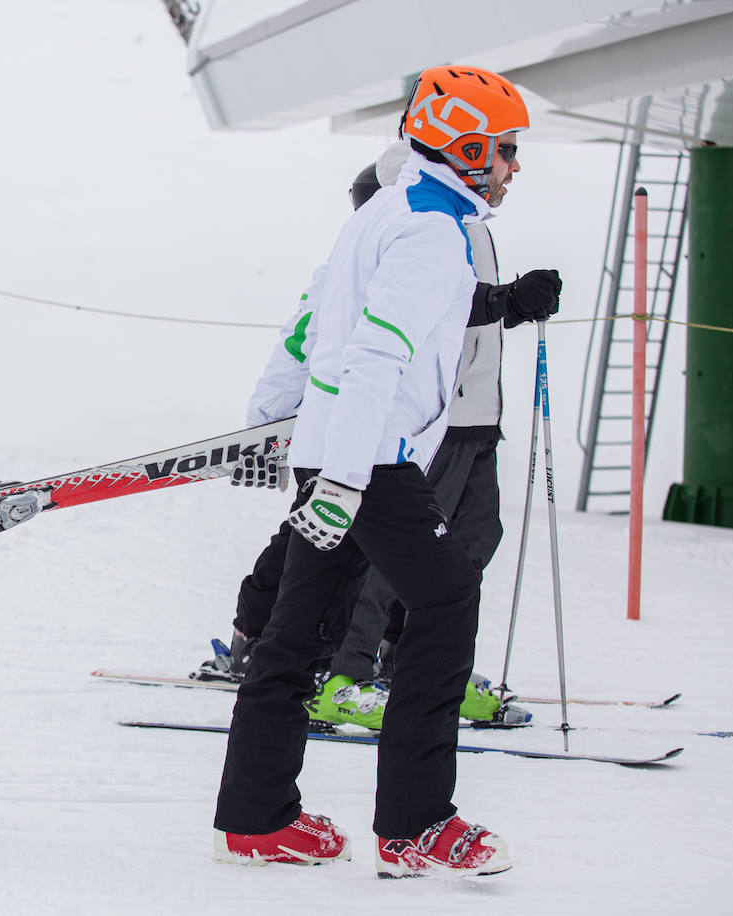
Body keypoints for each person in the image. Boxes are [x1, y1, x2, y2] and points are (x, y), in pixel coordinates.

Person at [212, 65, 538, 878]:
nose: (512, 167)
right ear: (464, 149)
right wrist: (353, 482)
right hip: (370, 461)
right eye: (503, 150)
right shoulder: (432, 230)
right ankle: (419, 823)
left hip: (336, 451)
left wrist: (298, 445)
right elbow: (374, 354)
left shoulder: (392, 211)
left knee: (301, 628)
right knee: (448, 594)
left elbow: (326, 316)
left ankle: (258, 818)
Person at [200, 142, 561, 731]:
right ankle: (330, 669)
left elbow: (460, 307)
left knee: (461, 549)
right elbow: (309, 345)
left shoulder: (461, 224)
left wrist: (509, 304)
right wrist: (265, 424)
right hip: (386, 431)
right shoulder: (398, 237)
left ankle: (411, 666)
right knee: (356, 554)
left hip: (459, 415)